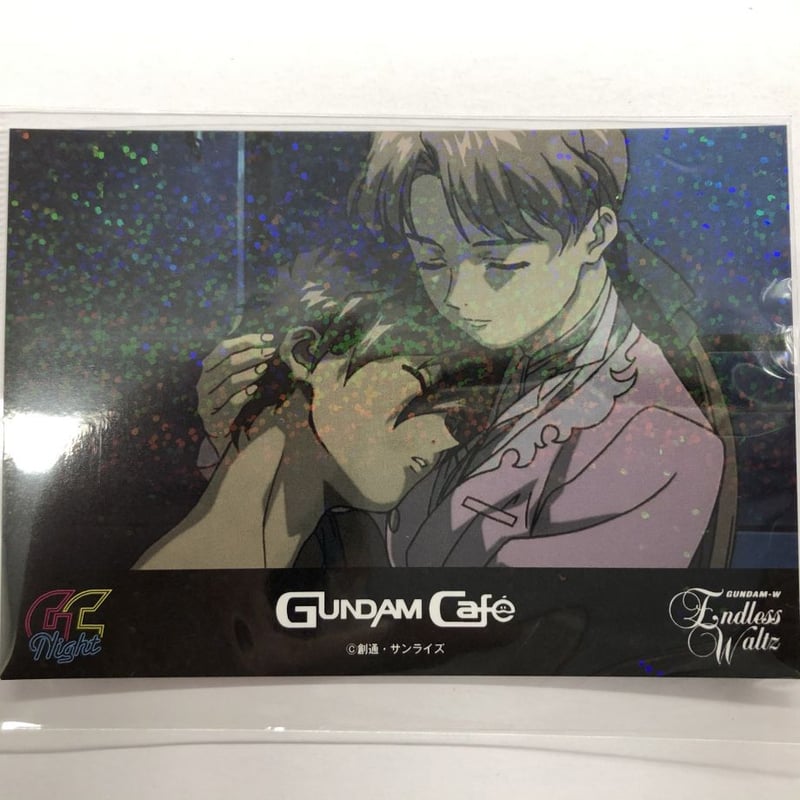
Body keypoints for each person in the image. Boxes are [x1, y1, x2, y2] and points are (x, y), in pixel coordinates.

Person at [197, 130, 732, 568]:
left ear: (595, 235)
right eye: (432, 260)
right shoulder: (425, 339)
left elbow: (528, 635)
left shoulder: (657, 441)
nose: (458, 296)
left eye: (501, 264)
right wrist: (248, 429)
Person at [136, 243, 494, 569]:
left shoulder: (352, 557)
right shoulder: (181, 586)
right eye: (422, 382)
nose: (447, 436)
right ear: (306, 353)